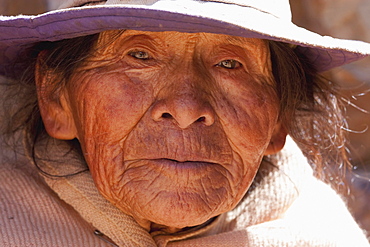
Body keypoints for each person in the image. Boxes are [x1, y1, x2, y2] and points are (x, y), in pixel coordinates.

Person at [0, 0, 369, 246]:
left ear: (278, 118)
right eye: (140, 55)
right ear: (56, 97)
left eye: (229, 64)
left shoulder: (322, 236)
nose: (187, 107)